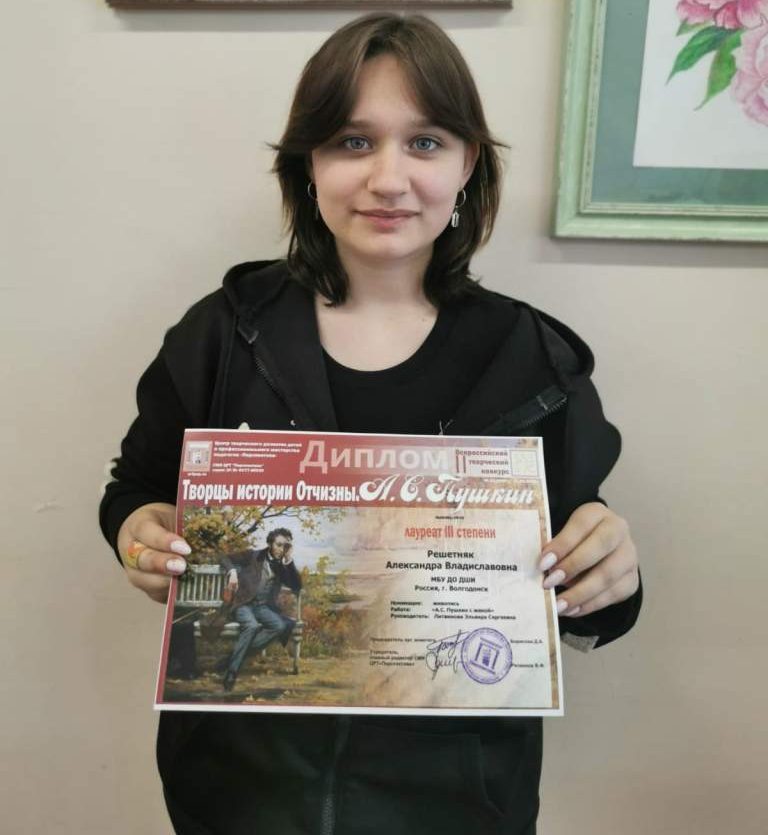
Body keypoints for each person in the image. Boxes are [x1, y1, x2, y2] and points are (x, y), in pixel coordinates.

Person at [100, 13, 641, 835]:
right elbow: (134, 488)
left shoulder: (530, 356)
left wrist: (610, 573)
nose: (389, 178)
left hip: (459, 805)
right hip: (237, 798)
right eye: (353, 141)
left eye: (425, 142)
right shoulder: (224, 332)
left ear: (468, 164)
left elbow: (587, 598)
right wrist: (139, 530)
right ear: (308, 164)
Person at [220, 527, 301, 691]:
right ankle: (231, 672)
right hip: (243, 603)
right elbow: (224, 557)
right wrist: (233, 571)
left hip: (262, 606)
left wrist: (288, 560)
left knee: (280, 626)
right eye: (279, 545)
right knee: (251, 626)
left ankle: (232, 658)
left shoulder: (282, 565)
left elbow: (296, 586)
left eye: (285, 546)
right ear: (270, 544)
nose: (281, 549)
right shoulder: (253, 556)